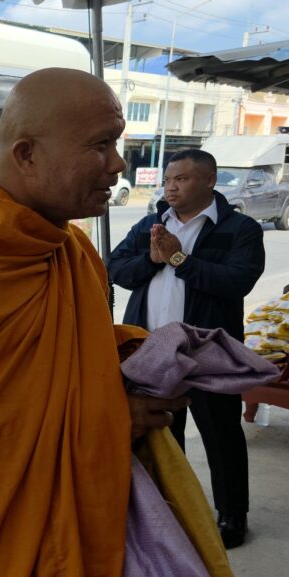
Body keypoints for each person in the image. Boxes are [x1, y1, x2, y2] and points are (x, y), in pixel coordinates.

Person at [0, 67, 189, 577]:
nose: (118, 164)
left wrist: (132, 357)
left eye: (117, 144)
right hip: (2, 544)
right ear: (26, 154)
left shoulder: (69, 244)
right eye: (100, 145)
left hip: (71, 524)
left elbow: (71, 349)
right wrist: (114, 418)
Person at [109, 148, 265, 548]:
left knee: (222, 435)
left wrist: (180, 259)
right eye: (167, 180)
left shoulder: (239, 228)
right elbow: (116, 267)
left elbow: (237, 280)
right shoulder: (151, 224)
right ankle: (171, 511)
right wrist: (152, 259)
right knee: (163, 435)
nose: (171, 187)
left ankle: (232, 515)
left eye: (181, 179)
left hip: (206, 352)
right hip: (153, 352)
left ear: (209, 180)